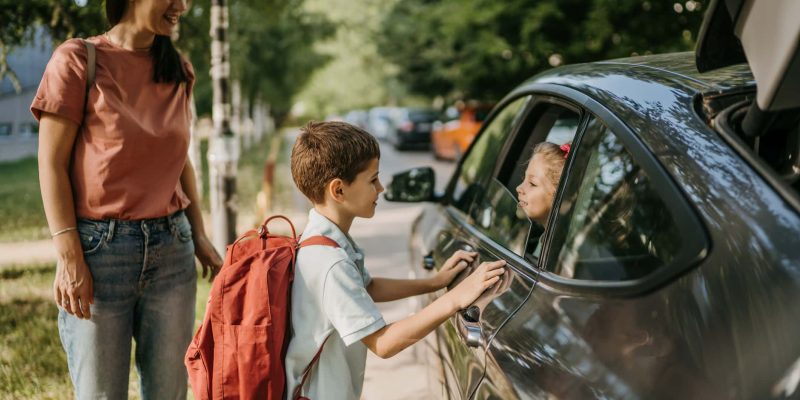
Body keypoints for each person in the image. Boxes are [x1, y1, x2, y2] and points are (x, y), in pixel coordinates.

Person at [32, 0, 223, 398]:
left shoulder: (180, 69)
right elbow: (50, 163)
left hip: (172, 252)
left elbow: (180, 160)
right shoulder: (78, 60)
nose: (183, 6)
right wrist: (69, 257)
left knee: (169, 393)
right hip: (100, 254)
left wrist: (199, 233)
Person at [285, 121, 506, 399]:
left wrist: (436, 282)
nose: (381, 188)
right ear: (338, 191)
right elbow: (383, 343)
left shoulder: (327, 240)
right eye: (373, 180)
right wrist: (454, 299)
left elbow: (369, 287)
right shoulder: (330, 262)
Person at [515, 142, 570, 257]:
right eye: (523, 178)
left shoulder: (561, 255)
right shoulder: (544, 240)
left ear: (559, 198)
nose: (518, 188)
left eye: (532, 183)